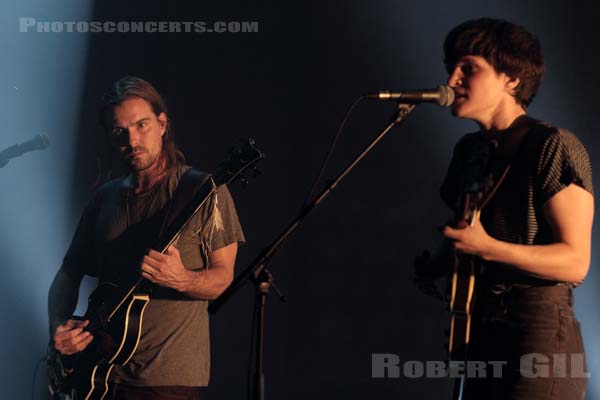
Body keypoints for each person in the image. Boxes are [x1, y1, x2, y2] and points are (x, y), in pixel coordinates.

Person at [48, 76, 245, 400]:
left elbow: (223, 277)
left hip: (168, 381)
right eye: (120, 131)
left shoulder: (204, 191)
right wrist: (58, 325)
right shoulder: (104, 198)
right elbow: (68, 273)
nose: (132, 139)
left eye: (142, 125)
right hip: (99, 376)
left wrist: (181, 278)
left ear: (162, 123)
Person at [436, 18, 592, 399]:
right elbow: (471, 239)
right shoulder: (468, 152)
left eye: (468, 68)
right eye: (451, 68)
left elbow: (575, 262)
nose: (452, 79)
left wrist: (487, 247)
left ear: (511, 80)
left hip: (537, 331)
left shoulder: (553, 145)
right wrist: (439, 265)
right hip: (483, 330)